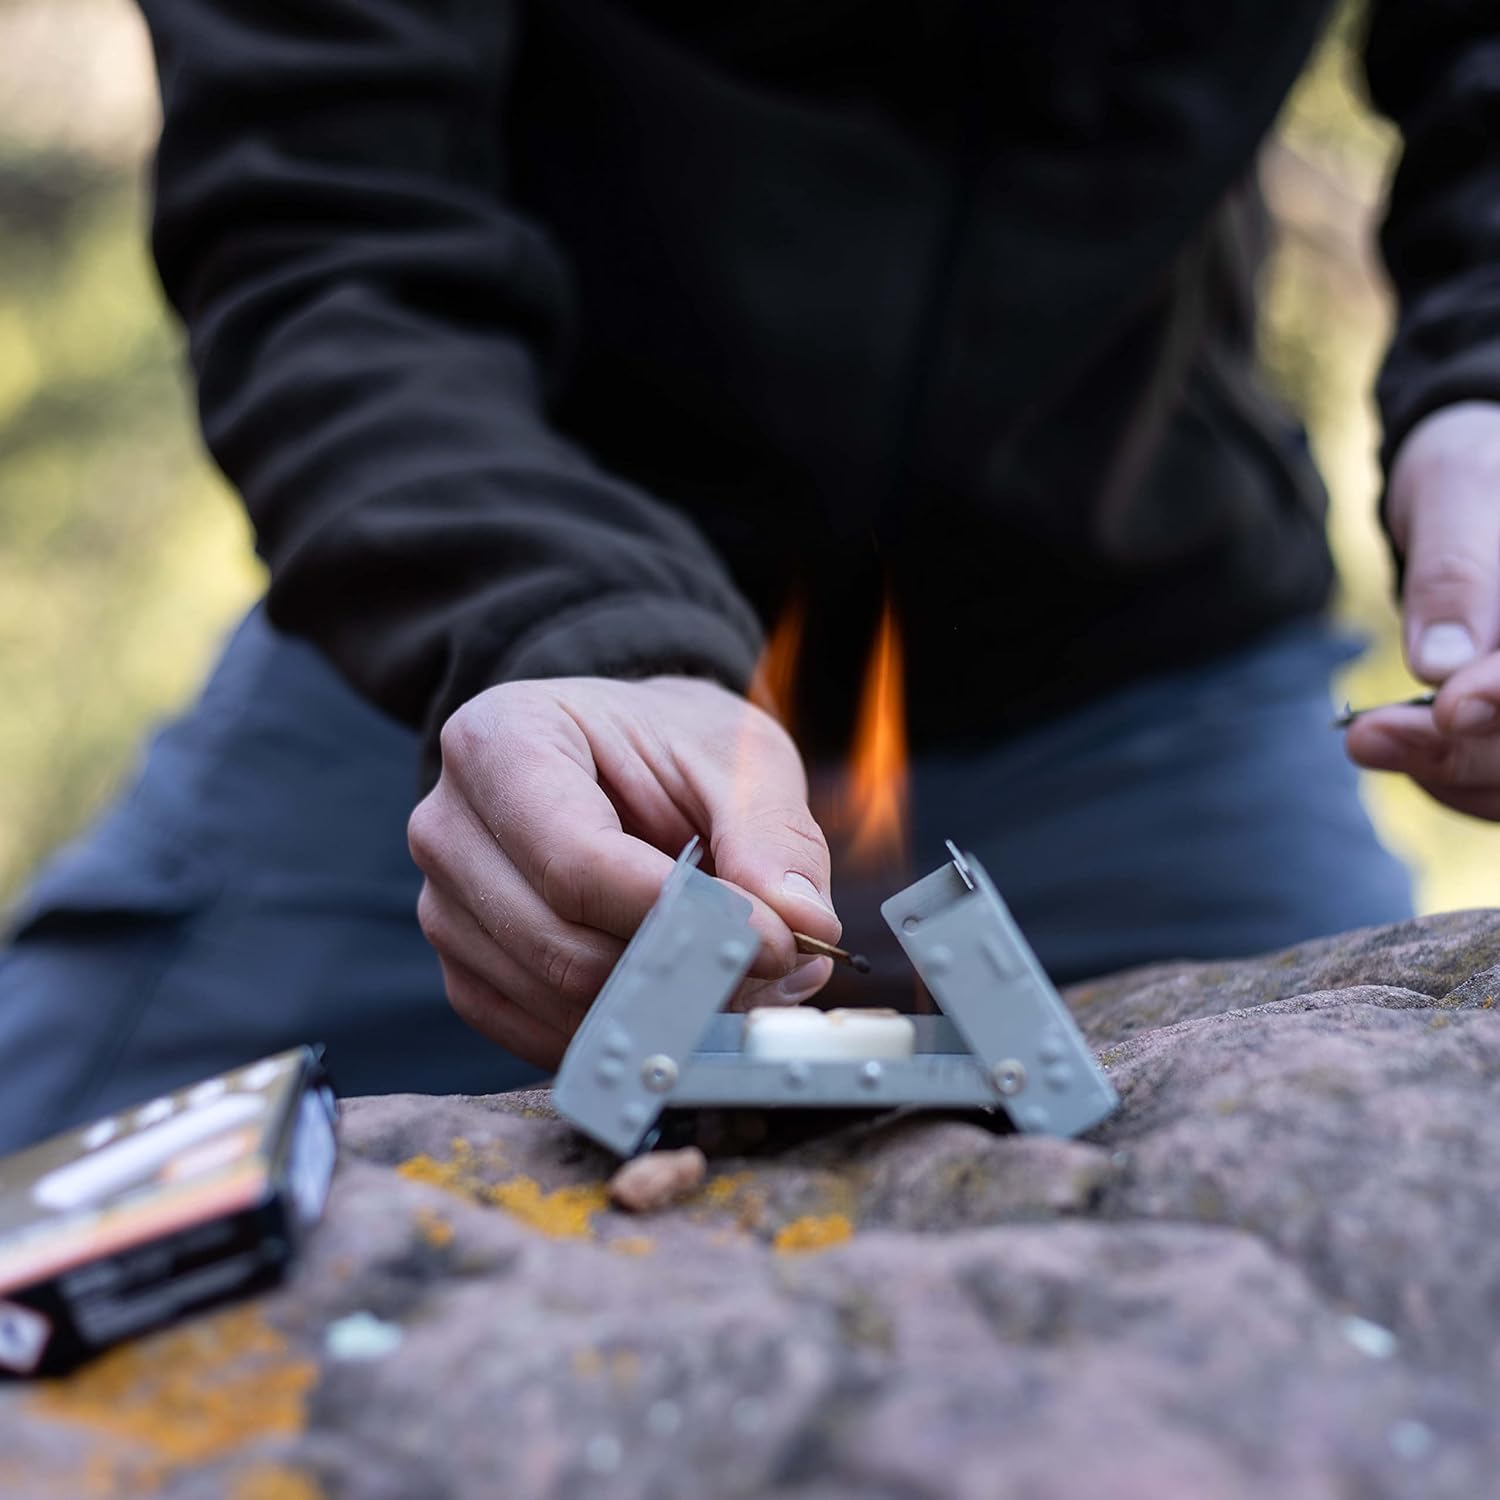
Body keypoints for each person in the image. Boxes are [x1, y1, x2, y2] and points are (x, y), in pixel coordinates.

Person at [2, 0, 1497, 1154]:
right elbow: (323, 224)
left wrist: (1478, 397)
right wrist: (550, 622)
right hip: (495, 673)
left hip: (1151, 678)